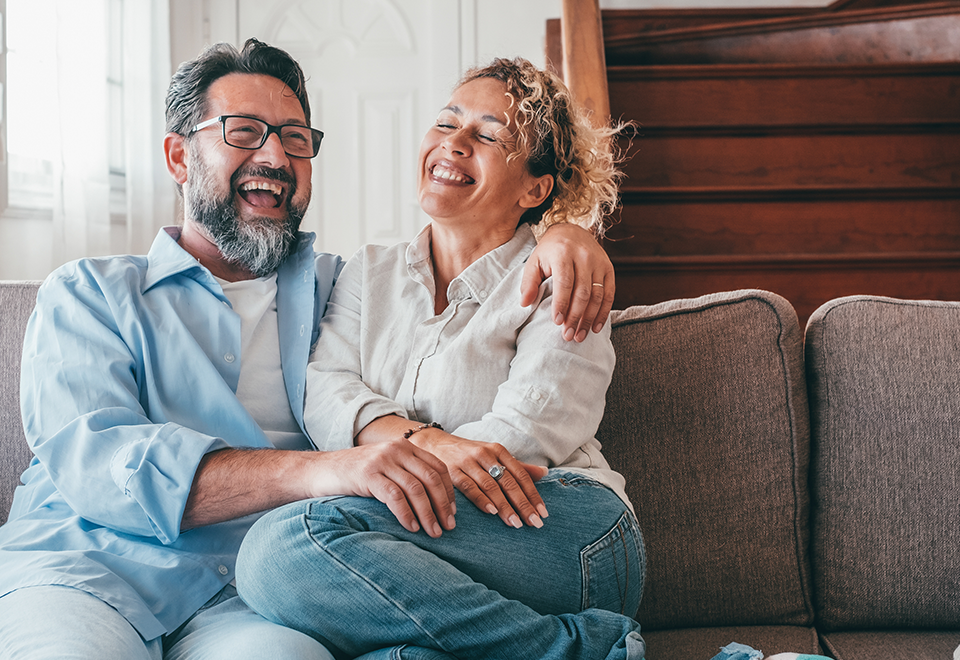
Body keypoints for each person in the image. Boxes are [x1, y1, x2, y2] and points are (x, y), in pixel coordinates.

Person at [0, 40, 617, 659]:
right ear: (180, 156)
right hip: (86, 573)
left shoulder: (335, 285)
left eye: (295, 140)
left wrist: (568, 234)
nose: (274, 155)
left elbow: (477, 262)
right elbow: (100, 464)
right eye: (244, 132)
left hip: (249, 595)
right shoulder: (88, 294)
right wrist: (330, 469)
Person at [235, 57, 645, 660]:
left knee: (282, 545)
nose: (453, 144)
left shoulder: (563, 277)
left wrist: (406, 455)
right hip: (435, 534)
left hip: (560, 522)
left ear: (535, 188)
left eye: (487, 135)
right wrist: (432, 445)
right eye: (446, 123)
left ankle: (588, 650)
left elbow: (520, 441)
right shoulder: (367, 272)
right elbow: (325, 390)